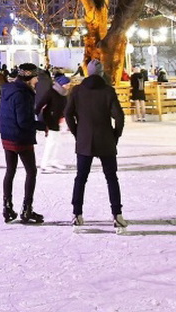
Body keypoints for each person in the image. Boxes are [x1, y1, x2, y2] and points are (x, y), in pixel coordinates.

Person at [64, 60, 127, 231]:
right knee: (111, 177)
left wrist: (77, 132)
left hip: (84, 140)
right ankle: (117, 215)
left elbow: (68, 114)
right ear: (101, 73)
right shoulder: (108, 91)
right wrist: (115, 136)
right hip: (105, 139)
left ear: (88, 72)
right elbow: (119, 117)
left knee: (81, 178)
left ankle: (77, 214)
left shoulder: (77, 91)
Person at [0, 63, 45, 223]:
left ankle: (7, 207)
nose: (37, 80)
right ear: (29, 78)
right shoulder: (23, 94)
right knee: (31, 171)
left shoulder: (8, 89)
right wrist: (42, 125)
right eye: (36, 77)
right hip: (20, 137)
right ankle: (27, 209)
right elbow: (24, 121)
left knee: (10, 170)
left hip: (7, 135)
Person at [37, 74, 70, 173]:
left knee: (57, 142)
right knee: (51, 142)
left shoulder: (63, 93)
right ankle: (45, 163)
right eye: (67, 84)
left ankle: (53, 160)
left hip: (58, 119)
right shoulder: (51, 92)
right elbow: (40, 104)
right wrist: (35, 117)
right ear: (62, 84)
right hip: (50, 120)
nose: (69, 86)